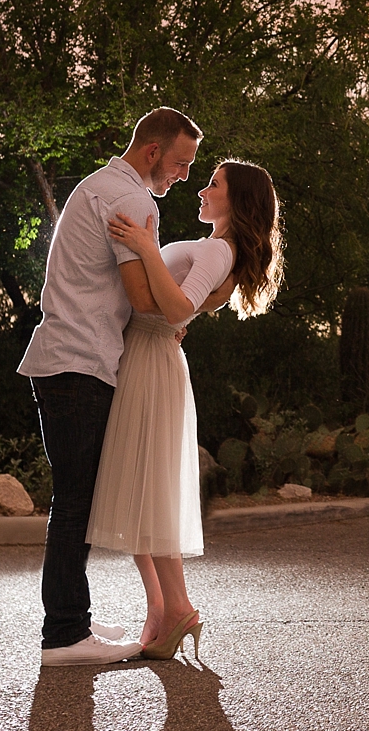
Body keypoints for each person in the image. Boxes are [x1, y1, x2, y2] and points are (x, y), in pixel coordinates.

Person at [16, 107, 203, 667]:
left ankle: (72, 620)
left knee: (77, 498)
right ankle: (66, 634)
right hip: (80, 363)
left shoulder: (96, 185)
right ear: (152, 153)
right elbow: (145, 300)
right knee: (75, 502)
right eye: (180, 162)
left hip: (64, 359)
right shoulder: (132, 201)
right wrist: (182, 307)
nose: (185, 175)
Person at [94, 158, 282, 661]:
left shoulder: (219, 251)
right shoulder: (217, 250)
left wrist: (145, 248)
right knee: (141, 490)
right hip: (149, 355)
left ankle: (174, 608)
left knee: (146, 490)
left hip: (152, 363)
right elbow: (182, 309)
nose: (202, 189)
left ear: (236, 200)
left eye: (213, 184)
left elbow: (180, 306)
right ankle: (162, 610)